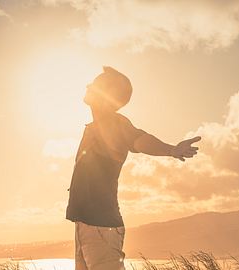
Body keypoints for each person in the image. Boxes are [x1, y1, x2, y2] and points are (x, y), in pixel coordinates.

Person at [65, 66, 201, 270]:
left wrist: (171, 150)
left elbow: (138, 139)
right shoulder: (94, 127)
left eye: (96, 83)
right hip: (85, 226)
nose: (89, 85)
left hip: (101, 227)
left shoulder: (114, 124)